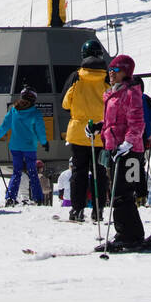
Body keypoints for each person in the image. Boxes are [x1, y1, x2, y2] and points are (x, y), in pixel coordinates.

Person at [99, 54, 151, 252]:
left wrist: (128, 143)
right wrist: (99, 128)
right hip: (116, 149)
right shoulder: (112, 93)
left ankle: (128, 234)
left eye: (115, 70)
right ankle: (127, 233)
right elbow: (114, 123)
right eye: (110, 70)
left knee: (123, 194)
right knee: (117, 193)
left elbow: (137, 122)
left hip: (129, 151)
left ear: (125, 72)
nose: (111, 74)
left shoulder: (131, 92)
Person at [62, 40, 109, 222]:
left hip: (78, 132)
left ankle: (77, 209)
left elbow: (65, 103)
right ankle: (98, 210)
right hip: (100, 132)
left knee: (79, 172)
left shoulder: (76, 76)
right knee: (99, 172)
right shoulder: (107, 78)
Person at [0, 88, 48, 206]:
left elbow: (5, 125)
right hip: (29, 147)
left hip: (15, 145)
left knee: (16, 172)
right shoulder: (35, 113)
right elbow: (40, 130)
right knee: (32, 171)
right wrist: (44, 142)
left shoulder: (14, 111)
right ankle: (38, 198)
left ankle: (10, 197)